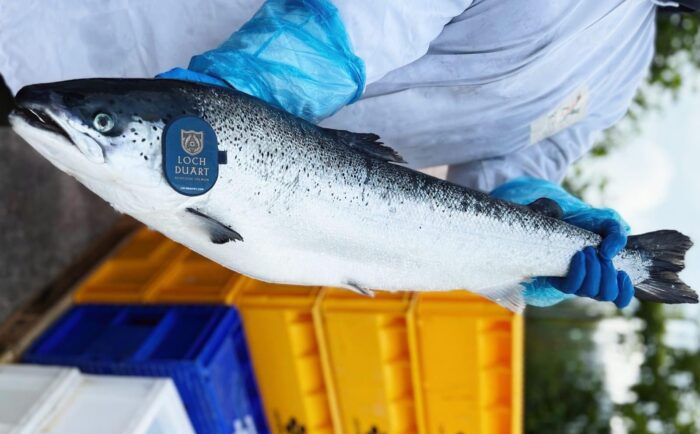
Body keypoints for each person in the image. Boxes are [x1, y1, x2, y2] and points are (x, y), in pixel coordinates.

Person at [3, 0, 694, 307]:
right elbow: (372, 15)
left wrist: (557, 242)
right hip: (159, 70)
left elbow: (514, 174)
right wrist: (246, 90)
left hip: (272, 185)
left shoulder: (626, 68)